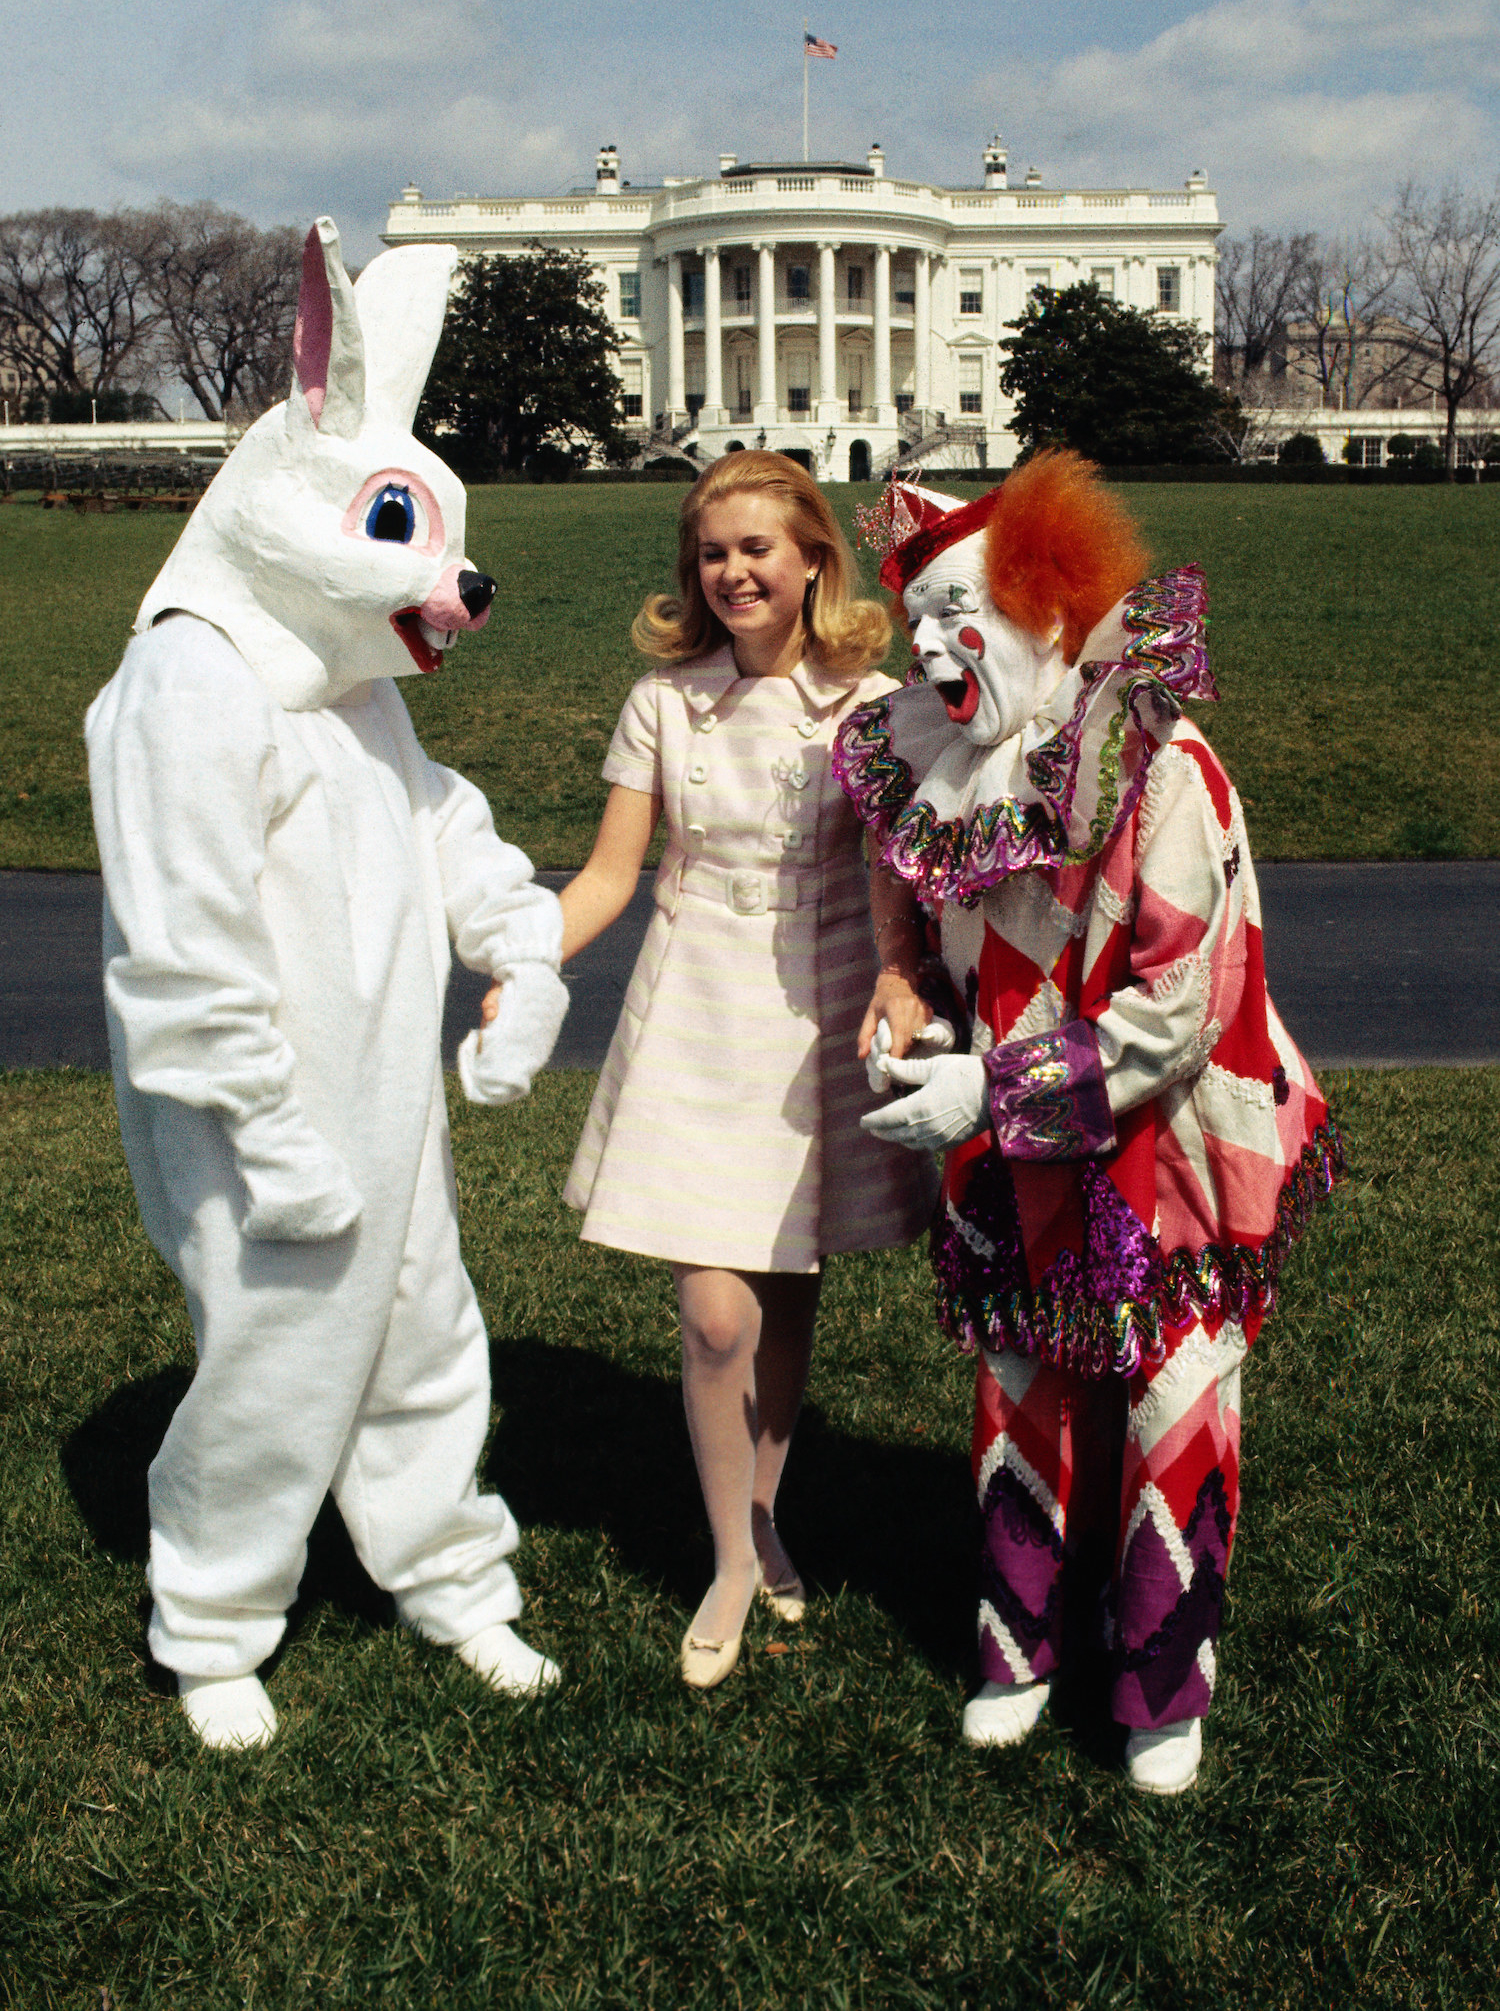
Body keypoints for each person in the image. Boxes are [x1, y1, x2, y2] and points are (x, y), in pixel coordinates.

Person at [87, 220, 569, 1750]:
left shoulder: (346, 689)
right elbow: (182, 935)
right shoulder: (190, 682)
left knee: (427, 1324)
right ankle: (216, 1616)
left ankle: (448, 1573)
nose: (451, 585)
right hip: (261, 1113)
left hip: (382, 1089)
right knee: (280, 1358)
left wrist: (523, 942)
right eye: (394, 525)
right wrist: (266, 1124)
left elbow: (435, 823)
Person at [836, 450, 1344, 1793]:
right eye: (921, 619)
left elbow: (1179, 1014)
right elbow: (951, 964)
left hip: (1171, 1150)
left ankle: (1163, 1676)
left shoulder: (1165, 769)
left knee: (1175, 1392)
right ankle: (1019, 1645)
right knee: (1021, 1388)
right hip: (1016, 1153)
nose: (937, 646)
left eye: (966, 611)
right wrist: (921, 1027)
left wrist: (985, 1093)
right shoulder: (941, 764)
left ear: (1053, 610)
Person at [537, 451, 937, 1689]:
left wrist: (895, 971)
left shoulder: (868, 704)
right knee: (717, 1312)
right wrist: (517, 954)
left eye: (758, 548)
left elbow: (887, 875)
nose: (733, 573)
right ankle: (724, 1557)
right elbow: (610, 872)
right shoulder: (663, 701)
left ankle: (764, 1511)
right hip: (696, 996)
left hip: (815, 1006)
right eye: (714, 553)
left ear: (814, 557)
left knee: (788, 1275)